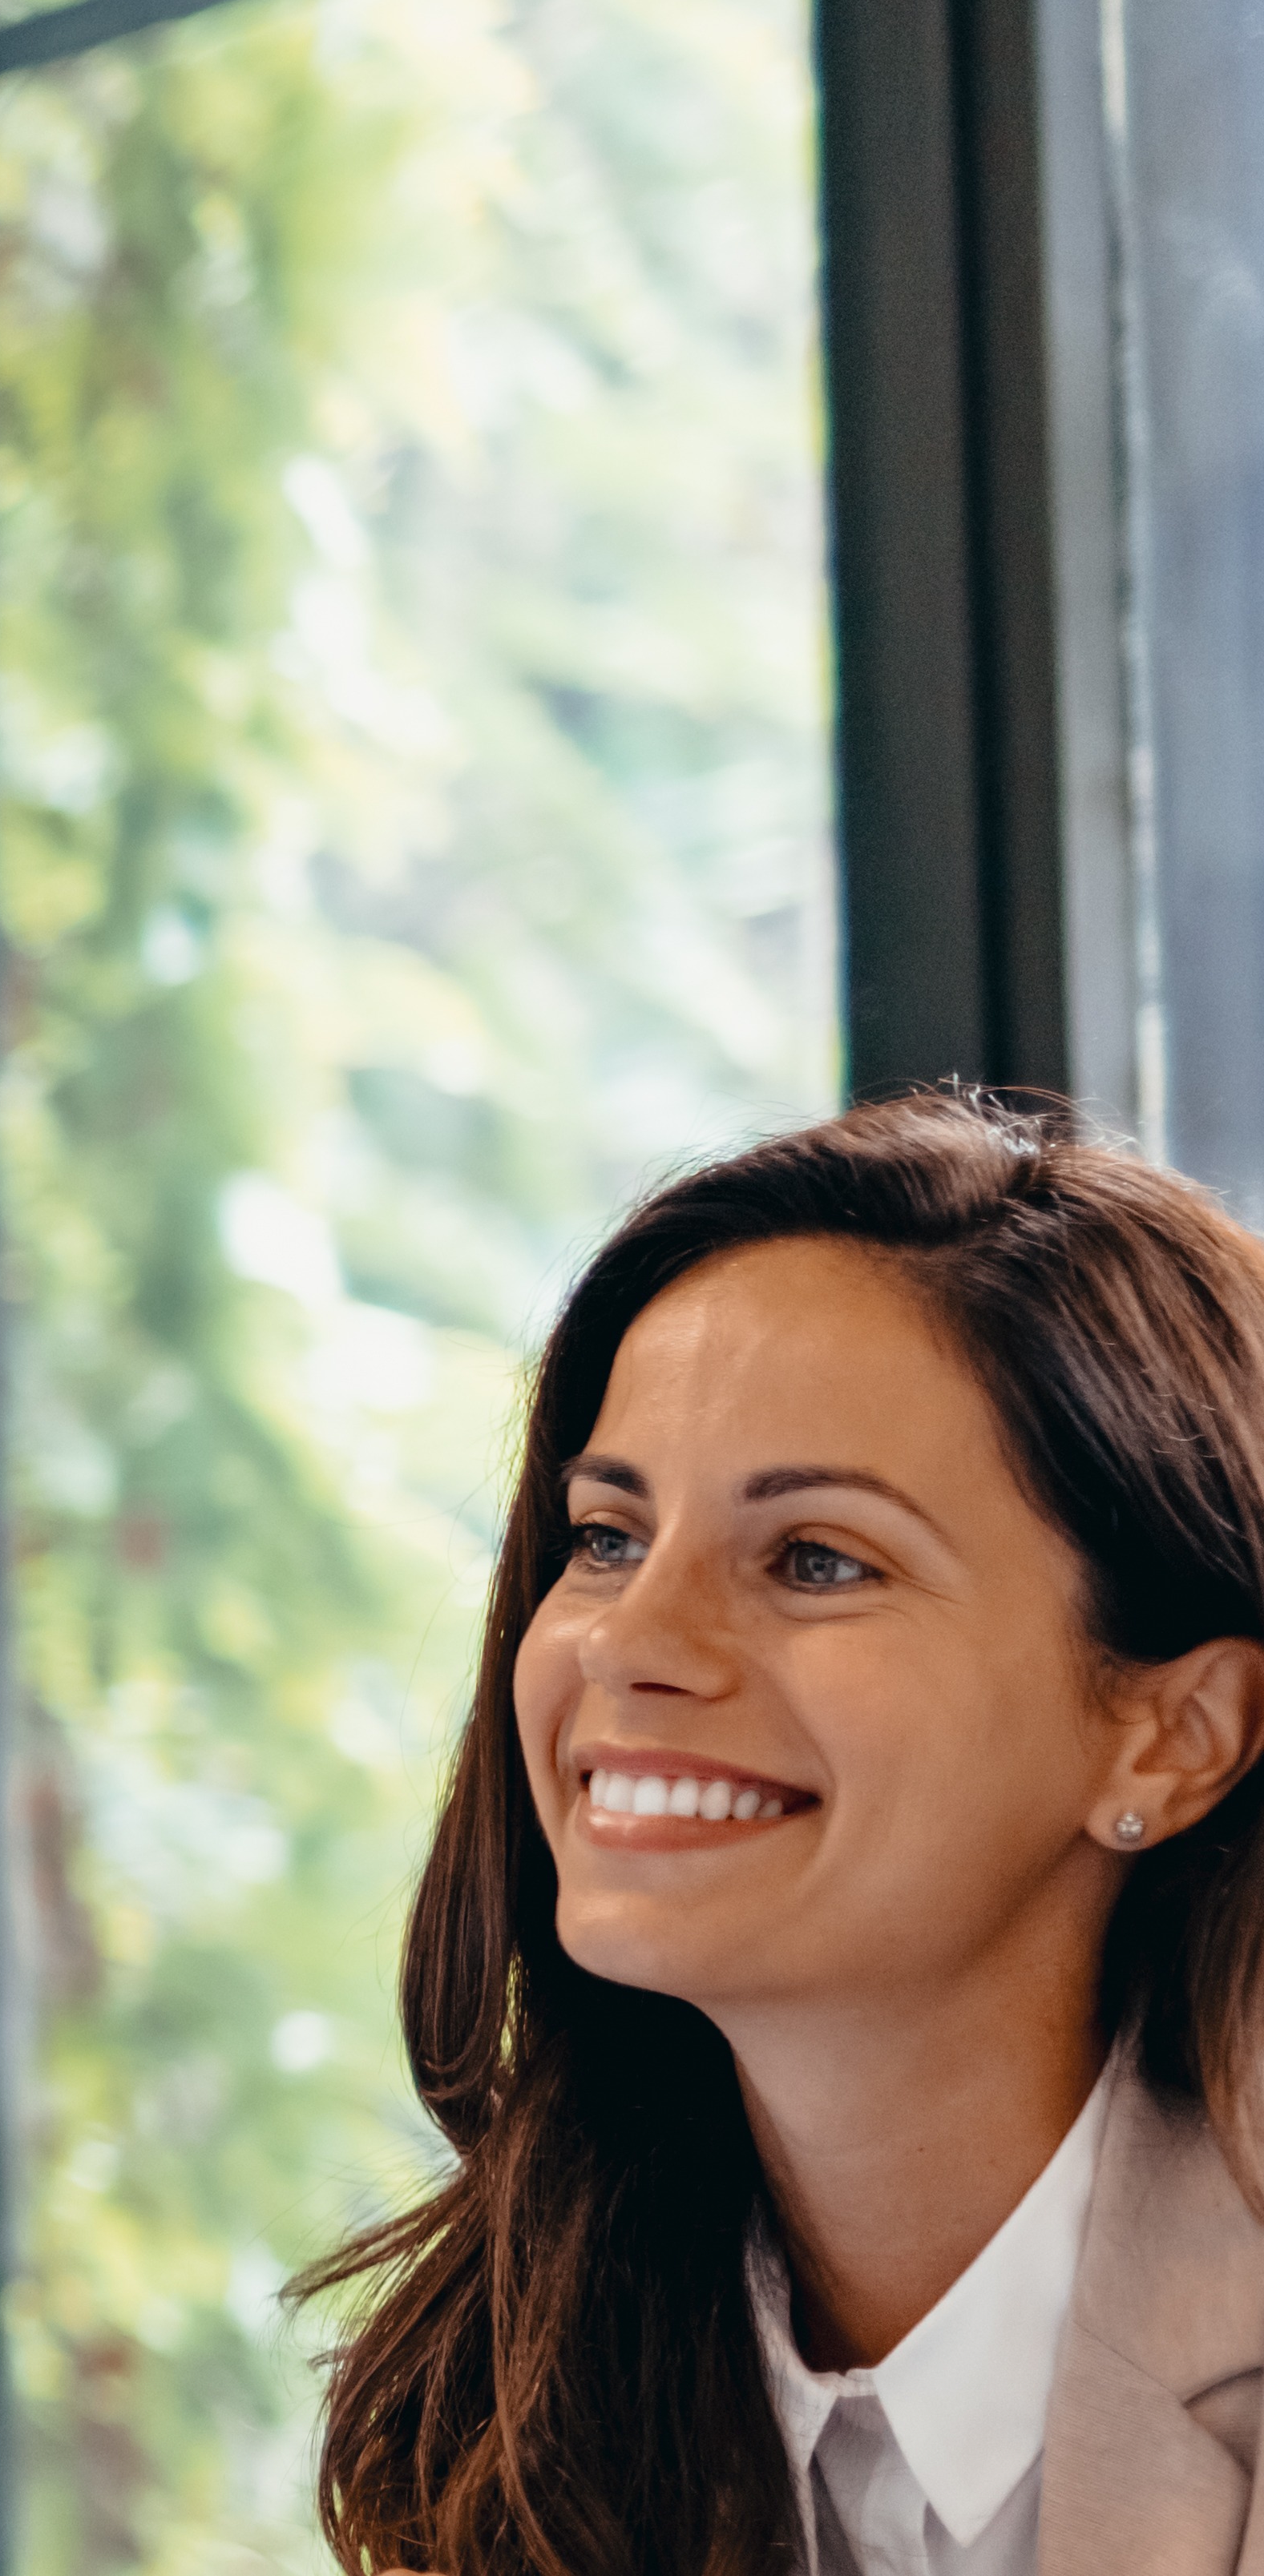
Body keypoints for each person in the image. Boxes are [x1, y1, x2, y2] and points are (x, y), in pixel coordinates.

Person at [305, 1089, 1264, 2573]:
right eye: (609, 1536)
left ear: (1173, 1732)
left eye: (817, 1558)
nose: (634, 1641)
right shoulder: (513, 2385)